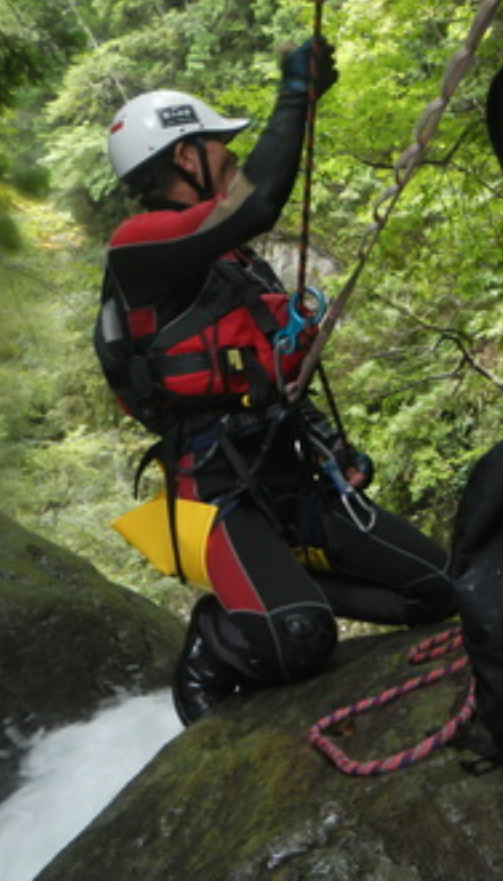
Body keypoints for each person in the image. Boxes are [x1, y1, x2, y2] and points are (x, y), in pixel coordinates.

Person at [95, 37, 456, 726]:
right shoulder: (138, 248)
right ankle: (217, 633)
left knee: (438, 591)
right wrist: (295, 99)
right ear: (183, 156)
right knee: (299, 644)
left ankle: (285, 587)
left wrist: (328, 447)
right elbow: (251, 206)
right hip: (219, 497)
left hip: (289, 476)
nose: (231, 161)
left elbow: (273, 379)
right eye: (221, 149)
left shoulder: (231, 262)